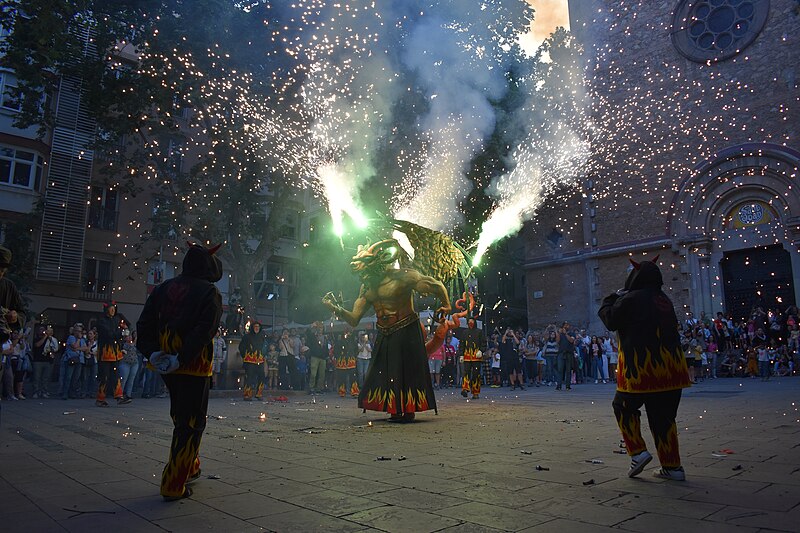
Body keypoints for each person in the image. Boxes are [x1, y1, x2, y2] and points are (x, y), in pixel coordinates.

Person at [322, 239, 450, 422]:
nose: (362, 275)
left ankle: (407, 410)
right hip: (384, 333)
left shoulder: (404, 276)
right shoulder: (366, 287)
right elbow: (354, 319)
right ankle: (394, 409)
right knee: (386, 373)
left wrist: (446, 305)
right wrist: (336, 308)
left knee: (406, 372)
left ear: (378, 263)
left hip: (407, 329)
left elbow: (435, 285)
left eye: (364, 268)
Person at [136, 242, 223, 501]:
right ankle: (173, 483)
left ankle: (190, 465)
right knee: (191, 423)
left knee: (181, 416)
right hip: (193, 366)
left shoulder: (163, 288)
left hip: (165, 362)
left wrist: (152, 351)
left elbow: (144, 324)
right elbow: (205, 330)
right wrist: (182, 356)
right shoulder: (210, 292)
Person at [598, 257, 692, 481]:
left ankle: (638, 452)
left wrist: (612, 298)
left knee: (622, 407)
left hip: (643, 370)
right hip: (672, 372)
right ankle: (673, 467)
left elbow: (610, 319)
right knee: (664, 418)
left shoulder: (631, 299)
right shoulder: (664, 299)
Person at [96, 301, 124, 407]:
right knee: (104, 377)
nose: (113, 311)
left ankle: (119, 396)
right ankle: (100, 398)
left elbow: (117, 333)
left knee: (116, 376)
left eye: (114, 309)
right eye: (111, 308)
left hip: (115, 352)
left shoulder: (116, 320)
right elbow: (109, 334)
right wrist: (119, 332)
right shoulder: (102, 321)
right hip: (105, 353)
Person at [456, 317, 486, 400]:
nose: (470, 322)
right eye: (469, 321)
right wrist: (461, 354)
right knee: (466, 373)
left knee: (476, 375)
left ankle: (475, 392)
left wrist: (481, 351)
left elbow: (484, 343)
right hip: (467, 356)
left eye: (472, 321)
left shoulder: (479, 332)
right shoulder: (464, 332)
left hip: (476, 356)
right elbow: (461, 344)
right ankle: (465, 389)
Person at [239, 321, 265, 400]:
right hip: (249, 360)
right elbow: (241, 347)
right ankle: (247, 394)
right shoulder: (247, 337)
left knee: (261, 376)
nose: (257, 328)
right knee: (249, 377)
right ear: (252, 328)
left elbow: (264, 346)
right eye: (255, 326)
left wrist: (263, 355)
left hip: (260, 360)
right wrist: (245, 356)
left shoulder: (262, 336)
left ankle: (259, 394)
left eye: (258, 326)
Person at [32, 325, 59, 399]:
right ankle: (36, 391)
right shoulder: (36, 339)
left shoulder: (52, 339)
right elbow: (37, 345)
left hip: (48, 360)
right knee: (37, 377)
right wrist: (45, 337)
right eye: (41, 330)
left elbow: (55, 348)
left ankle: (44, 391)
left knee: (46, 378)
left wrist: (49, 338)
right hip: (38, 360)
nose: (43, 331)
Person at [306, 322, 327, 393]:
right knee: (313, 374)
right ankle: (311, 387)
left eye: (321, 328)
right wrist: (311, 326)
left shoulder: (325, 337)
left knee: (322, 375)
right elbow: (307, 333)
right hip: (315, 356)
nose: (320, 329)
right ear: (317, 329)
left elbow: (326, 347)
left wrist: (327, 356)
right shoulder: (313, 336)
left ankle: (319, 388)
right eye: (319, 328)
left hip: (323, 357)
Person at [118, 330, 139, 403]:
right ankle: (120, 395)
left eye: (130, 336)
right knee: (123, 379)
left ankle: (128, 395)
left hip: (134, 363)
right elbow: (126, 349)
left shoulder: (134, 344)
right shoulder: (123, 344)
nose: (129, 337)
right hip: (125, 363)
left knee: (131, 380)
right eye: (128, 336)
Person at [555, 322, 575, 391]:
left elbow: (571, 340)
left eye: (567, 325)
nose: (566, 326)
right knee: (560, 369)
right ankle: (559, 385)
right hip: (561, 353)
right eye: (565, 325)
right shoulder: (560, 334)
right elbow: (557, 341)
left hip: (569, 353)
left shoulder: (571, 333)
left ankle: (568, 386)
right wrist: (558, 333)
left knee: (568, 370)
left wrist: (566, 334)